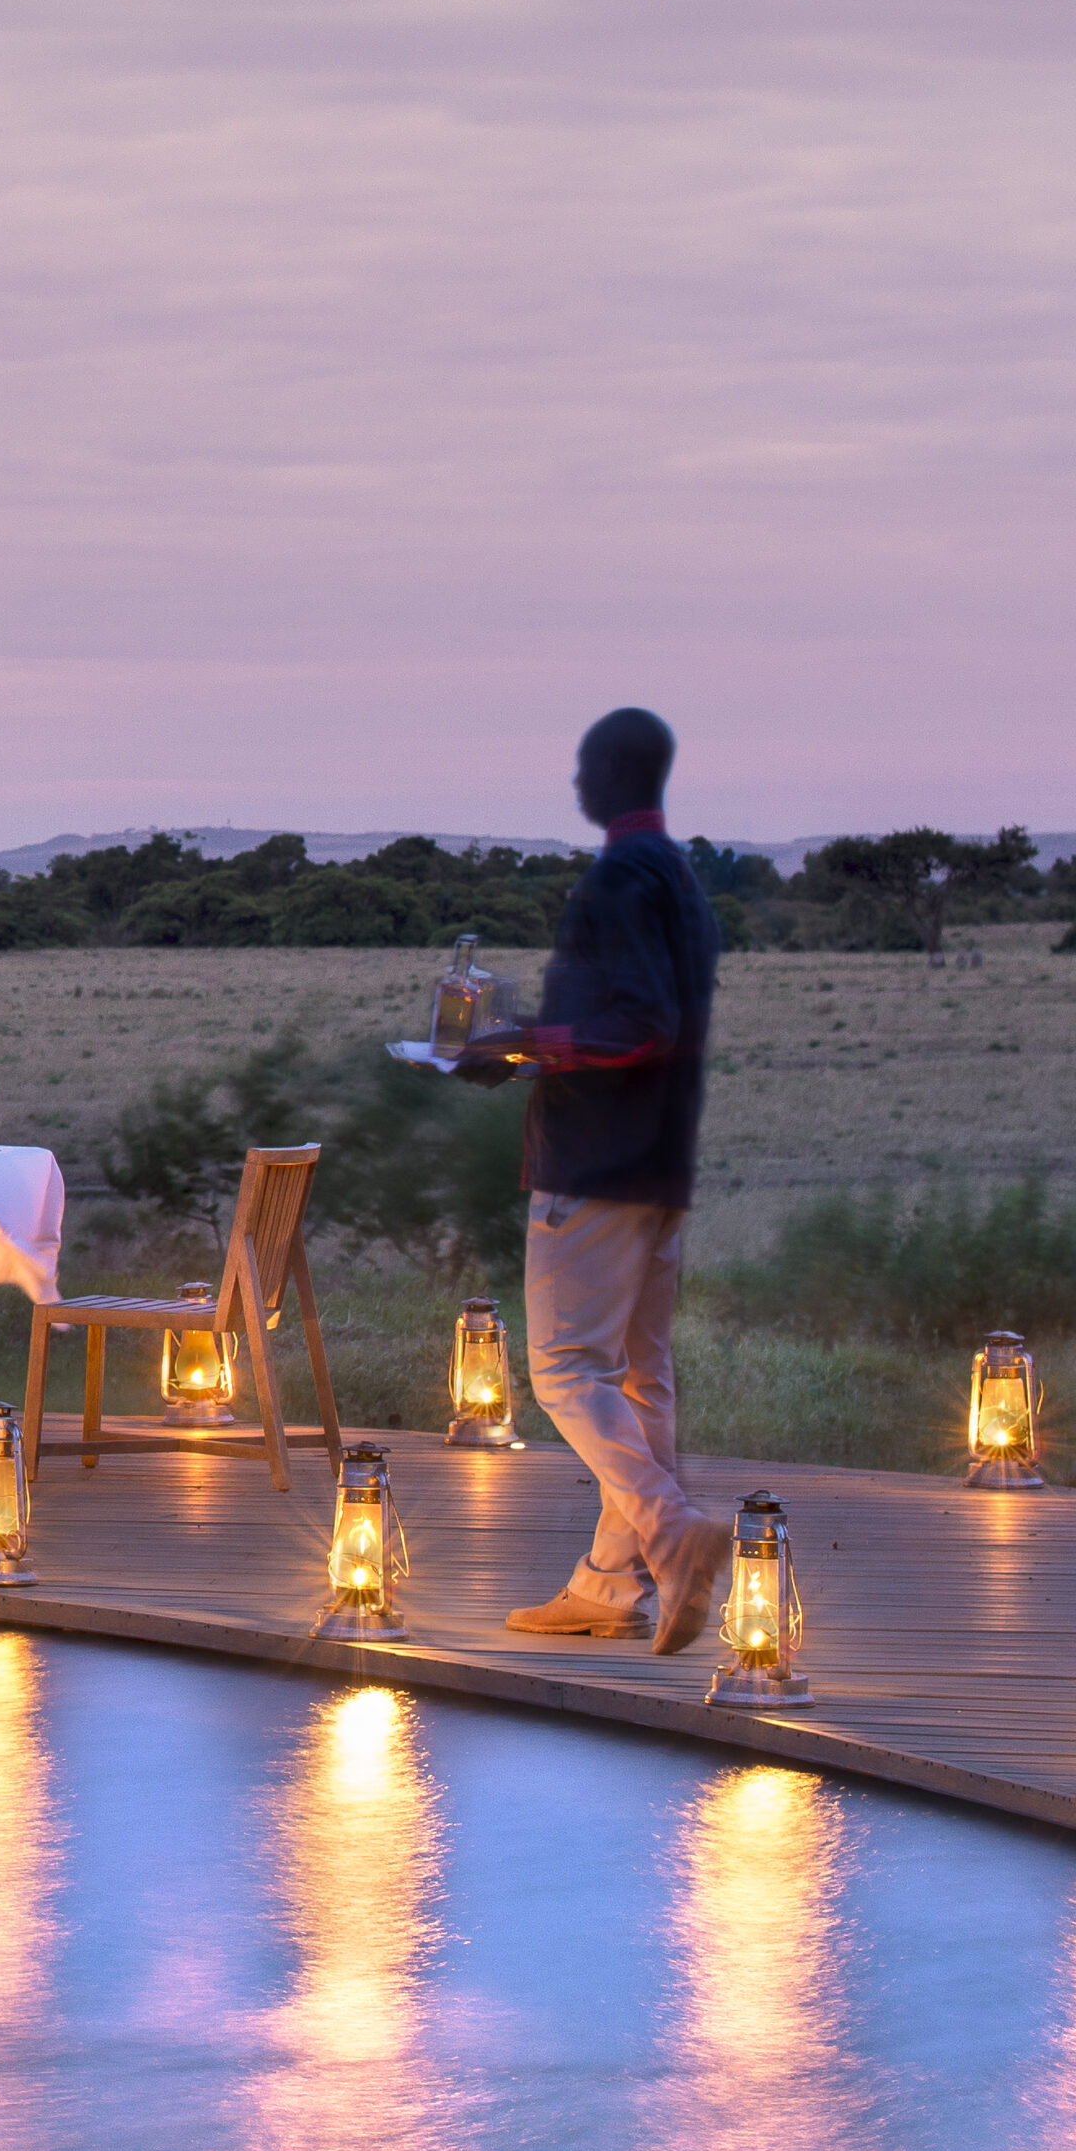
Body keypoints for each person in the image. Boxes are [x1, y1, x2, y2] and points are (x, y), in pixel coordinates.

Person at [455, 707, 727, 1650]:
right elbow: (656, 1024)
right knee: (640, 1375)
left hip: (597, 1162)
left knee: (568, 1371)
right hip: (659, 1159)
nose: (576, 786)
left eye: (584, 769)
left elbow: (641, 1025)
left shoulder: (619, 878)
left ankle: (670, 1532)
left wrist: (524, 1043)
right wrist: (532, 1043)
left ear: (614, 775)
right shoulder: (682, 878)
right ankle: (612, 1585)